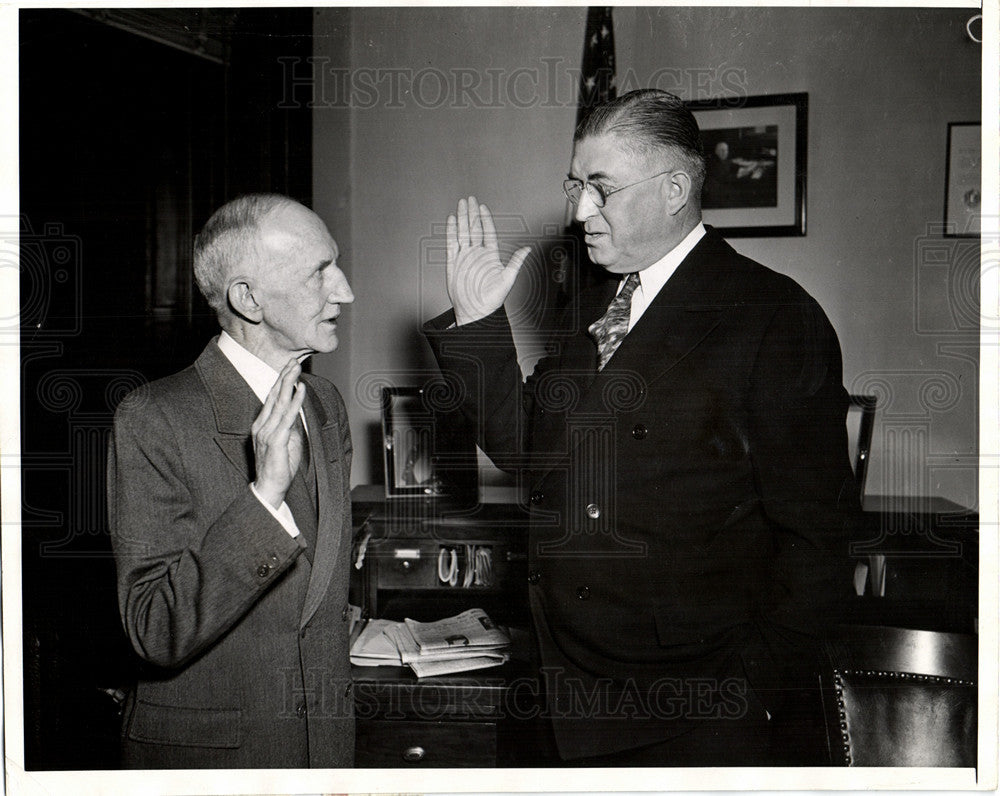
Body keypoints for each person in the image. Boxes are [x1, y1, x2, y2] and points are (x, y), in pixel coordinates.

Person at [423, 89, 861, 766]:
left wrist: (749, 694)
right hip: (562, 688)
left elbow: (821, 545)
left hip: (691, 714)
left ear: (675, 188)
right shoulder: (598, 300)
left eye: (601, 188)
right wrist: (481, 326)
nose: (577, 212)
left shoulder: (772, 317)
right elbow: (531, 454)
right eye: (575, 185)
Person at [108, 194, 356, 768]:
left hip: (325, 751)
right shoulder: (153, 417)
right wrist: (264, 499)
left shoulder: (325, 403)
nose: (344, 290)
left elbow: (312, 595)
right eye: (320, 272)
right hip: (218, 760)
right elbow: (153, 628)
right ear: (248, 298)